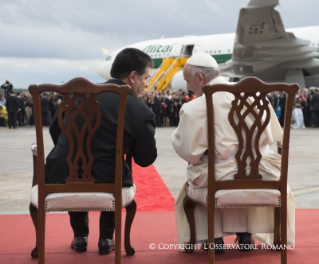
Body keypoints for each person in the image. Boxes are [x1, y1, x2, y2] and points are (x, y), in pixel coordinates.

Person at [172, 52, 295, 253]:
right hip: (264, 173)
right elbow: (274, 137)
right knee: (240, 171)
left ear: (200, 78)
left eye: (188, 81)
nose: (187, 87)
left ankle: (214, 237)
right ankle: (246, 235)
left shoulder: (195, 107)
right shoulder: (257, 96)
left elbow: (188, 153)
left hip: (218, 178)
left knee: (202, 169)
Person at [45, 48, 157, 255]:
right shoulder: (139, 110)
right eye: (146, 78)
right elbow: (145, 159)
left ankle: (80, 236)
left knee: (75, 168)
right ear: (132, 77)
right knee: (114, 169)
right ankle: (106, 238)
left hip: (59, 175)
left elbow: (55, 131)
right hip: (107, 179)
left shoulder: (75, 96)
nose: (147, 84)